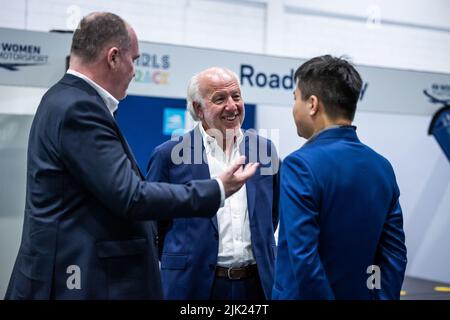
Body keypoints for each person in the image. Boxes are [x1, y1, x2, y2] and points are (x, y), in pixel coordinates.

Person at [5, 12, 258, 300]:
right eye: (134, 60)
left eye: (236, 96)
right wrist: (217, 189)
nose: (135, 71)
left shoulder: (66, 100)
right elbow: (131, 196)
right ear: (113, 57)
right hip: (76, 279)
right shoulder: (79, 108)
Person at [272, 55, 407, 300]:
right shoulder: (382, 167)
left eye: (295, 99)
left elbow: (304, 258)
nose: (293, 108)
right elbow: (393, 255)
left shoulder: (299, 165)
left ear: (312, 104)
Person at [146, 67, 280, 300]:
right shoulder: (169, 155)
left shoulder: (265, 151)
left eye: (236, 96)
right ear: (199, 109)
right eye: (220, 99)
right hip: (192, 286)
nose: (232, 106)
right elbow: (151, 225)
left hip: (256, 286)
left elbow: (272, 215)